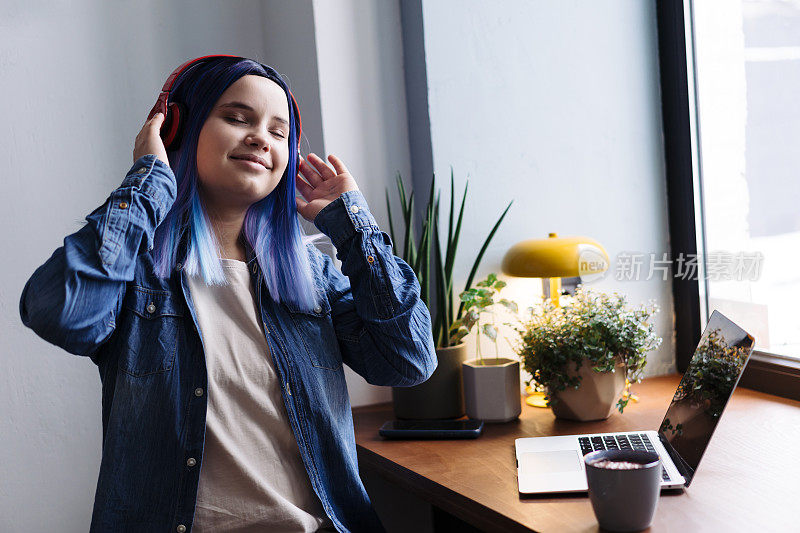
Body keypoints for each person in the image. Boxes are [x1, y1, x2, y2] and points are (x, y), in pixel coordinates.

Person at [19, 55, 437, 533]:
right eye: (238, 118)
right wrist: (147, 183)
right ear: (177, 129)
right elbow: (59, 310)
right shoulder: (132, 270)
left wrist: (352, 227)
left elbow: (408, 361)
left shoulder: (311, 276)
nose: (261, 137)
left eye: (279, 132)